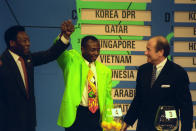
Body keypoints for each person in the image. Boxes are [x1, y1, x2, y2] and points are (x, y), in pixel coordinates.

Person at [0, 20, 74, 131]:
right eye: (24, 41)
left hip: (29, 123)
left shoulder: (28, 58)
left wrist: (65, 36)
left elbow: (50, 54)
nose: (28, 43)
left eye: (28, 40)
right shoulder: (2, 63)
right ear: (12, 43)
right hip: (8, 124)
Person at [121, 36, 193, 131]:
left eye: (148, 49)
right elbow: (138, 100)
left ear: (160, 52)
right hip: (143, 128)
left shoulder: (178, 73)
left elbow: (186, 108)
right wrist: (126, 124)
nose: (145, 53)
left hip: (166, 129)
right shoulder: (143, 70)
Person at [56, 34, 113, 131]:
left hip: (96, 117)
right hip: (77, 115)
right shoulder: (71, 62)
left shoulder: (105, 71)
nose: (96, 53)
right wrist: (64, 37)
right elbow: (58, 53)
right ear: (82, 49)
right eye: (92, 50)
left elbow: (108, 98)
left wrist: (109, 122)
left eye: (98, 50)